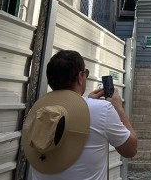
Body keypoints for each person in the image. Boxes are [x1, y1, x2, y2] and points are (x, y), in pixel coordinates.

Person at [22, 50, 137, 179]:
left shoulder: (37, 111)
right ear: (79, 77)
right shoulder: (102, 110)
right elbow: (130, 149)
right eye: (86, 73)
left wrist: (86, 103)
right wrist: (118, 108)